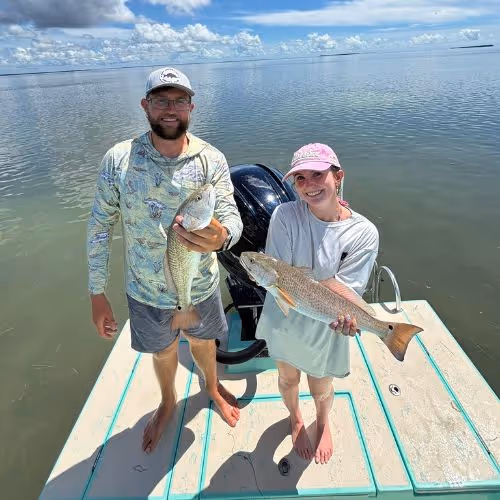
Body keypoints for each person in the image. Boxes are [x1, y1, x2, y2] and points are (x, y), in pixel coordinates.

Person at [87, 66, 243, 454]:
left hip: (200, 285)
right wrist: (96, 292)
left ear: (191, 106)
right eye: (161, 100)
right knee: (163, 351)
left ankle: (210, 386)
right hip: (143, 291)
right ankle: (169, 400)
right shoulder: (119, 159)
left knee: (204, 342)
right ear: (145, 105)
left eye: (179, 101)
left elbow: (231, 215)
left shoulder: (211, 159)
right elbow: (100, 226)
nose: (169, 109)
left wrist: (222, 237)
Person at [254, 143, 379, 465]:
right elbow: (276, 269)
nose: (309, 184)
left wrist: (359, 318)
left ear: (338, 177)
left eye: (318, 175)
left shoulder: (363, 233)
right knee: (287, 378)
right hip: (283, 315)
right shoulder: (284, 214)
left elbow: (346, 291)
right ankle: (295, 417)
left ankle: (322, 422)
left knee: (321, 385)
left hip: (327, 322)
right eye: (300, 179)